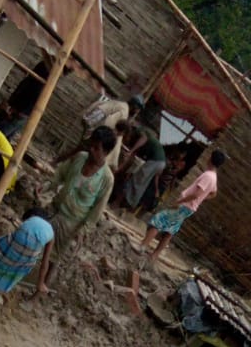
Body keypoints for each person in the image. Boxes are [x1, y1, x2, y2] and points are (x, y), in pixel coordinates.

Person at [44, 124, 116, 282]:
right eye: (92, 145)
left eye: (97, 148)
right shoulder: (80, 158)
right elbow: (60, 174)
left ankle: (39, 291)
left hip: (71, 223)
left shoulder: (106, 179)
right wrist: (47, 185)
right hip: (55, 209)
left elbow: (97, 209)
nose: (92, 150)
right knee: (38, 243)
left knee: (53, 259)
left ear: (106, 152)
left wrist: (84, 229)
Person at [140, 148, 225, 263]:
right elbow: (213, 193)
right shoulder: (214, 177)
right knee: (170, 230)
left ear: (211, 159)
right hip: (190, 207)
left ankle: (143, 246)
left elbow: (196, 194)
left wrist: (180, 202)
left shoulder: (208, 176)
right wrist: (201, 199)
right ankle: (154, 256)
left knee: (159, 220)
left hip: (185, 205)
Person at [0, 208, 54, 305]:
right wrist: (40, 283)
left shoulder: (31, 219)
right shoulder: (51, 233)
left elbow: (22, 229)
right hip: (31, 249)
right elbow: (45, 262)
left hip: (20, 236)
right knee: (20, 268)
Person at [61, 92, 144, 172]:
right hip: (96, 133)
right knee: (80, 153)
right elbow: (108, 121)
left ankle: (59, 164)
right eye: (137, 109)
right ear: (134, 106)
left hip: (95, 130)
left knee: (79, 152)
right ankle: (59, 165)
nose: (137, 112)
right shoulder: (123, 110)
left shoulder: (121, 105)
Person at [0, 55, 50, 141]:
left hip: (16, 115)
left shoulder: (39, 88)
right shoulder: (30, 81)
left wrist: (12, 112)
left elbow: (27, 109)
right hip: (12, 111)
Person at [120, 121, 167, 213]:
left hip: (156, 161)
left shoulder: (140, 130)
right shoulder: (148, 144)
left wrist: (130, 151)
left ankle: (127, 204)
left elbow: (143, 138)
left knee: (136, 181)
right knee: (141, 184)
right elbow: (135, 155)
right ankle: (129, 204)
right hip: (160, 163)